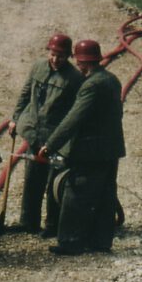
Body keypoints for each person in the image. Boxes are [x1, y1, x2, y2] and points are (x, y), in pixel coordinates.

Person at [37, 40, 125, 255]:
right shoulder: (112, 79)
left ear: (82, 62)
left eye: (78, 61)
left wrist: (50, 145)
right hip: (111, 149)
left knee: (76, 194)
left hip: (89, 151)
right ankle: (101, 242)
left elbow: (73, 119)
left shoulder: (90, 85)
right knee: (105, 196)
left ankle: (70, 242)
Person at [7, 33, 84, 237]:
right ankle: (28, 222)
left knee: (54, 182)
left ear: (68, 56)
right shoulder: (38, 67)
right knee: (32, 178)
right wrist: (15, 118)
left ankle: (52, 226)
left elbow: (74, 112)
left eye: (61, 56)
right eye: (53, 54)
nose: (55, 59)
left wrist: (62, 140)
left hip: (55, 139)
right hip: (33, 133)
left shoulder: (75, 78)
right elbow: (25, 94)